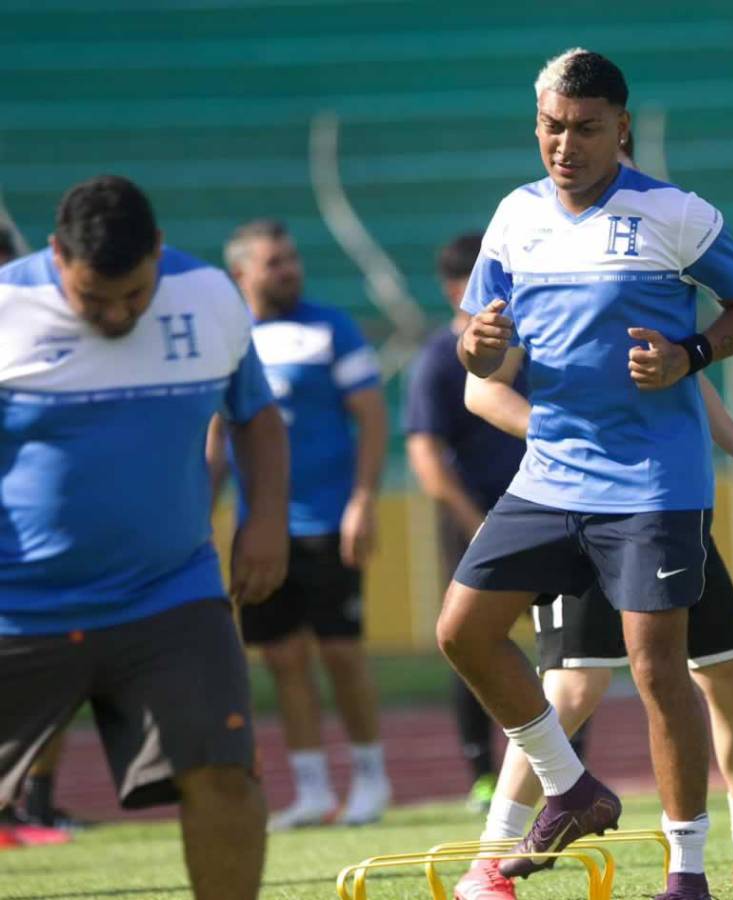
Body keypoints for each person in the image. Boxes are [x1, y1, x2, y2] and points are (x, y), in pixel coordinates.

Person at [437, 48, 733, 900]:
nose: (565, 143)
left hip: (654, 483)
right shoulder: (513, 218)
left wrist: (689, 354)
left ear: (621, 129)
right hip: (549, 477)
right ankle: (573, 788)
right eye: (552, 126)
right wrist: (476, 345)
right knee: (462, 632)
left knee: (661, 670)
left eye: (585, 128)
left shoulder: (676, 214)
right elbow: (480, 341)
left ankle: (688, 871)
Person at [0, 175, 287, 896]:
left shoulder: (209, 297)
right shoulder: (7, 308)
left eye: (135, 294)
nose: (119, 314)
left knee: (225, 775)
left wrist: (266, 521)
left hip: (168, 596)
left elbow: (254, 415)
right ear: (56, 254)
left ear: (159, 249)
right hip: (17, 607)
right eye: (94, 300)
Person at [453, 357, 733, 897]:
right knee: (573, 687)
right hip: (579, 504)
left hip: (668, 501)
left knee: (729, 670)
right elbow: (481, 390)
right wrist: (562, 440)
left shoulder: (656, 280)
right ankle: (490, 858)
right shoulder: (527, 279)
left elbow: (689, 378)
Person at [209, 219, 392, 830]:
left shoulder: (330, 327)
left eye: (290, 258)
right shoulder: (225, 338)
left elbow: (370, 418)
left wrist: (362, 500)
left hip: (328, 521)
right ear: (241, 274)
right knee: (283, 659)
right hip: (261, 528)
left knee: (341, 653)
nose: (288, 269)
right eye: (273, 262)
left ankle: (371, 778)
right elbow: (214, 435)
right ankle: (312, 788)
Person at [407, 233, 591, 813]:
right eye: (474, 288)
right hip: (479, 518)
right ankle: (483, 774)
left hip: (553, 508)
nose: (490, 301)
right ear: (452, 291)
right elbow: (426, 453)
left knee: (566, 650)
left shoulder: (535, 343)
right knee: (469, 639)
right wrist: (476, 522)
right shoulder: (440, 359)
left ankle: (567, 773)